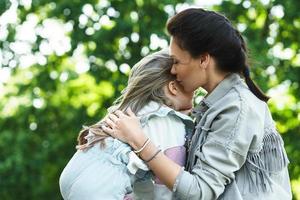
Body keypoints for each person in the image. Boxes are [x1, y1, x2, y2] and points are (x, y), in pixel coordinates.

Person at [102, 8, 292, 200]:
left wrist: (139, 141)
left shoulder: (237, 108)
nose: (173, 71)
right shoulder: (216, 105)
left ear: (203, 59)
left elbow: (200, 191)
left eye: (176, 62)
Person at [59, 50, 195, 200]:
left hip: (75, 174)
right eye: (191, 84)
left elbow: (142, 179)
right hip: (100, 190)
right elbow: (167, 185)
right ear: (173, 88)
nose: (195, 91)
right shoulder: (171, 123)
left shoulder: (131, 113)